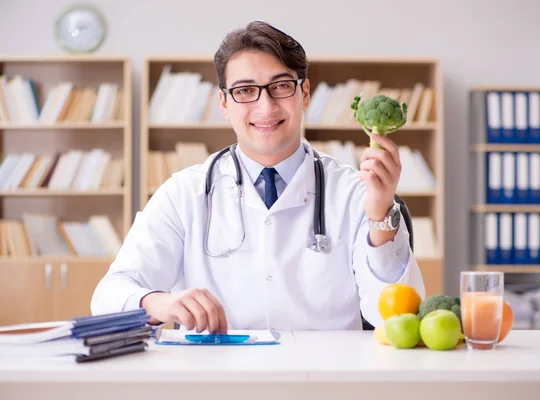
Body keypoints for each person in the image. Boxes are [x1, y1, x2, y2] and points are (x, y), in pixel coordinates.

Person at [90, 21, 425, 333]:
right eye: (245, 91)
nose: (265, 107)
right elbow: (108, 298)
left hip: (326, 382)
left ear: (304, 93)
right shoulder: (184, 192)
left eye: (280, 86)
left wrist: (380, 217)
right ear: (223, 102)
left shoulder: (354, 193)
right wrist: (160, 302)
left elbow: (395, 319)